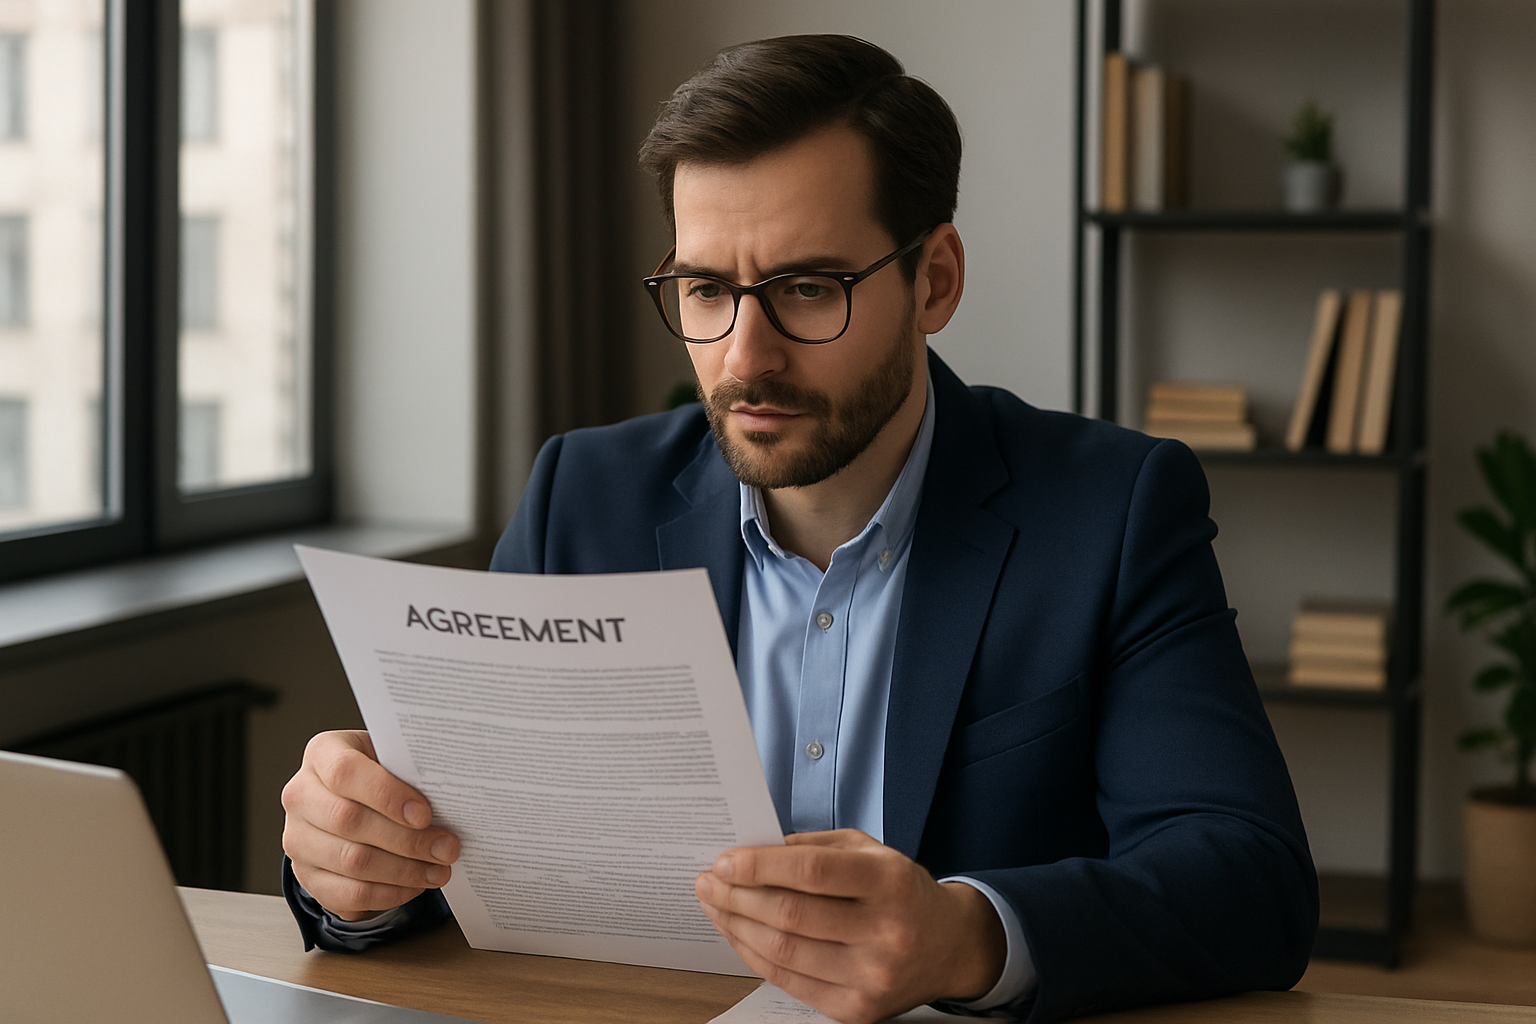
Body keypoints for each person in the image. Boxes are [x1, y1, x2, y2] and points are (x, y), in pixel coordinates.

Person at [280, 34, 1317, 1024]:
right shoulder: (582, 495)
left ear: (936, 280)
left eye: (807, 288)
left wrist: (965, 938)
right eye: (704, 290)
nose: (745, 357)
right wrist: (357, 872)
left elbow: (1249, 878)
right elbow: (474, 851)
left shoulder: (1113, 507)